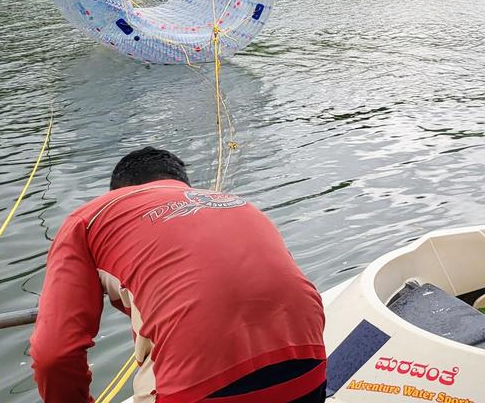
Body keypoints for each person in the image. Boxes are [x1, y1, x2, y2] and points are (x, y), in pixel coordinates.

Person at [30, 147, 326, 403]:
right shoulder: (236, 203)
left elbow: (54, 354)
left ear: (119, 190)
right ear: (182, 185)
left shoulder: (87, 219)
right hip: (310, 375)